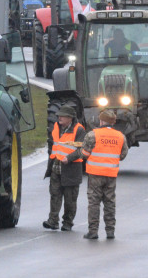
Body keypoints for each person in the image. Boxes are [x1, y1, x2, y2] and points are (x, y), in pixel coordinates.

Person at [64, 108, 128, 240]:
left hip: (95, 175)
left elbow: (85, 154)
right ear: (113, 122)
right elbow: (122, 155)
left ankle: (93, 231)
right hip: (111, 174)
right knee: (110, 202)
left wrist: (72, 156)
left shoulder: (93, 134)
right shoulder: (120, 136)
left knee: (94, 203)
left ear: (102, 120)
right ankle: (110, 231)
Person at [43, 103, 86, 232]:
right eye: (59, 116)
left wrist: (70, 158)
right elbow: (54, 145)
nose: (59, 118)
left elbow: (83, 149)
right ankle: (53, 221)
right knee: (54, 195)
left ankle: (67, 222)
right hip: (56, 167)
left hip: (71, 169)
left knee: (70, 199)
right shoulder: (56, 127)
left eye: (62, 116)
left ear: (70, 118)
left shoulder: (79, 130)